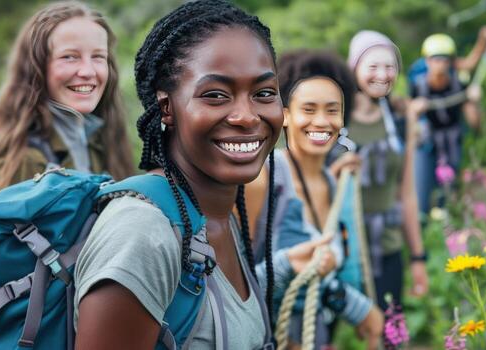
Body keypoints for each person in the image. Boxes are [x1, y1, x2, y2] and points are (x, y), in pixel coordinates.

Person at [74, 2, 333, 349]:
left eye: (264, 93)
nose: (246, 115)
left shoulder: (218, 216)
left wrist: (285, 267)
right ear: (167, 108)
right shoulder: (142, 234)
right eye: (215, 95)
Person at [246, 50, 384, 350]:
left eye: (332, 110)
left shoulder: (332, 184)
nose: (321, 122)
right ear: (284, 114)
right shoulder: (262, 181)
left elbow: (316, 276)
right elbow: (228, 287)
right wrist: (285, 266)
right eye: (308, 109)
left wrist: (360, 311)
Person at [0, 1, 135, 199]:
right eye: (69, 57)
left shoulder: (100, 140)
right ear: (36, 69)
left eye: (98, 56)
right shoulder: (23, 160)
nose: (88, 71)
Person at [344, 30, 429, 311]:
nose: (383, 74)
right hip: (338, 245)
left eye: (390, 66)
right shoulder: (333, 115)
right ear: (354, 68)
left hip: (386, 246)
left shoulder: (402, 120)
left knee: (390, 331)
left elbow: (407, 194)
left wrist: (418, 258)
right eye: (373, 66)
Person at [411, 33, 483, 214]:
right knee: (423, 185)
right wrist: (413, 109)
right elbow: (409, 118)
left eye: (445, 60)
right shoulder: (418, 85)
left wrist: (474, 101)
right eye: (435, 59)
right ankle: (424, 218)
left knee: (451, 183)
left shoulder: (459, 83)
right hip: (427, 140)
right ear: (427, 61)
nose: (440, 64)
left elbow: (475, 123)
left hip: (452, 138)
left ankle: (449, 214)